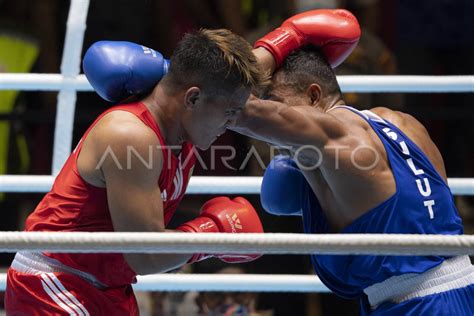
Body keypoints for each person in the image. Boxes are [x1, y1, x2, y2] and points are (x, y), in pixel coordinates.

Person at [84, 8, 474, 315]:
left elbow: (231, 106)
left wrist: (176, 74)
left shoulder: (332, 134)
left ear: (315, 95)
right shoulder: (402, 123)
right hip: (457, 287)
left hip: (420, 304)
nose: (276, 126)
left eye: (277, 102)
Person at [4, 29, 267, 315]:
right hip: (54, 282)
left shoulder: (187, 126)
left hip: (110, 286)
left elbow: (244, 101)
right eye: (228, 114)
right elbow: (145, 254)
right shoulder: (130, 135)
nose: (231, 124)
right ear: (192, 99)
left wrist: (286, 41)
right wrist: (213, 234)